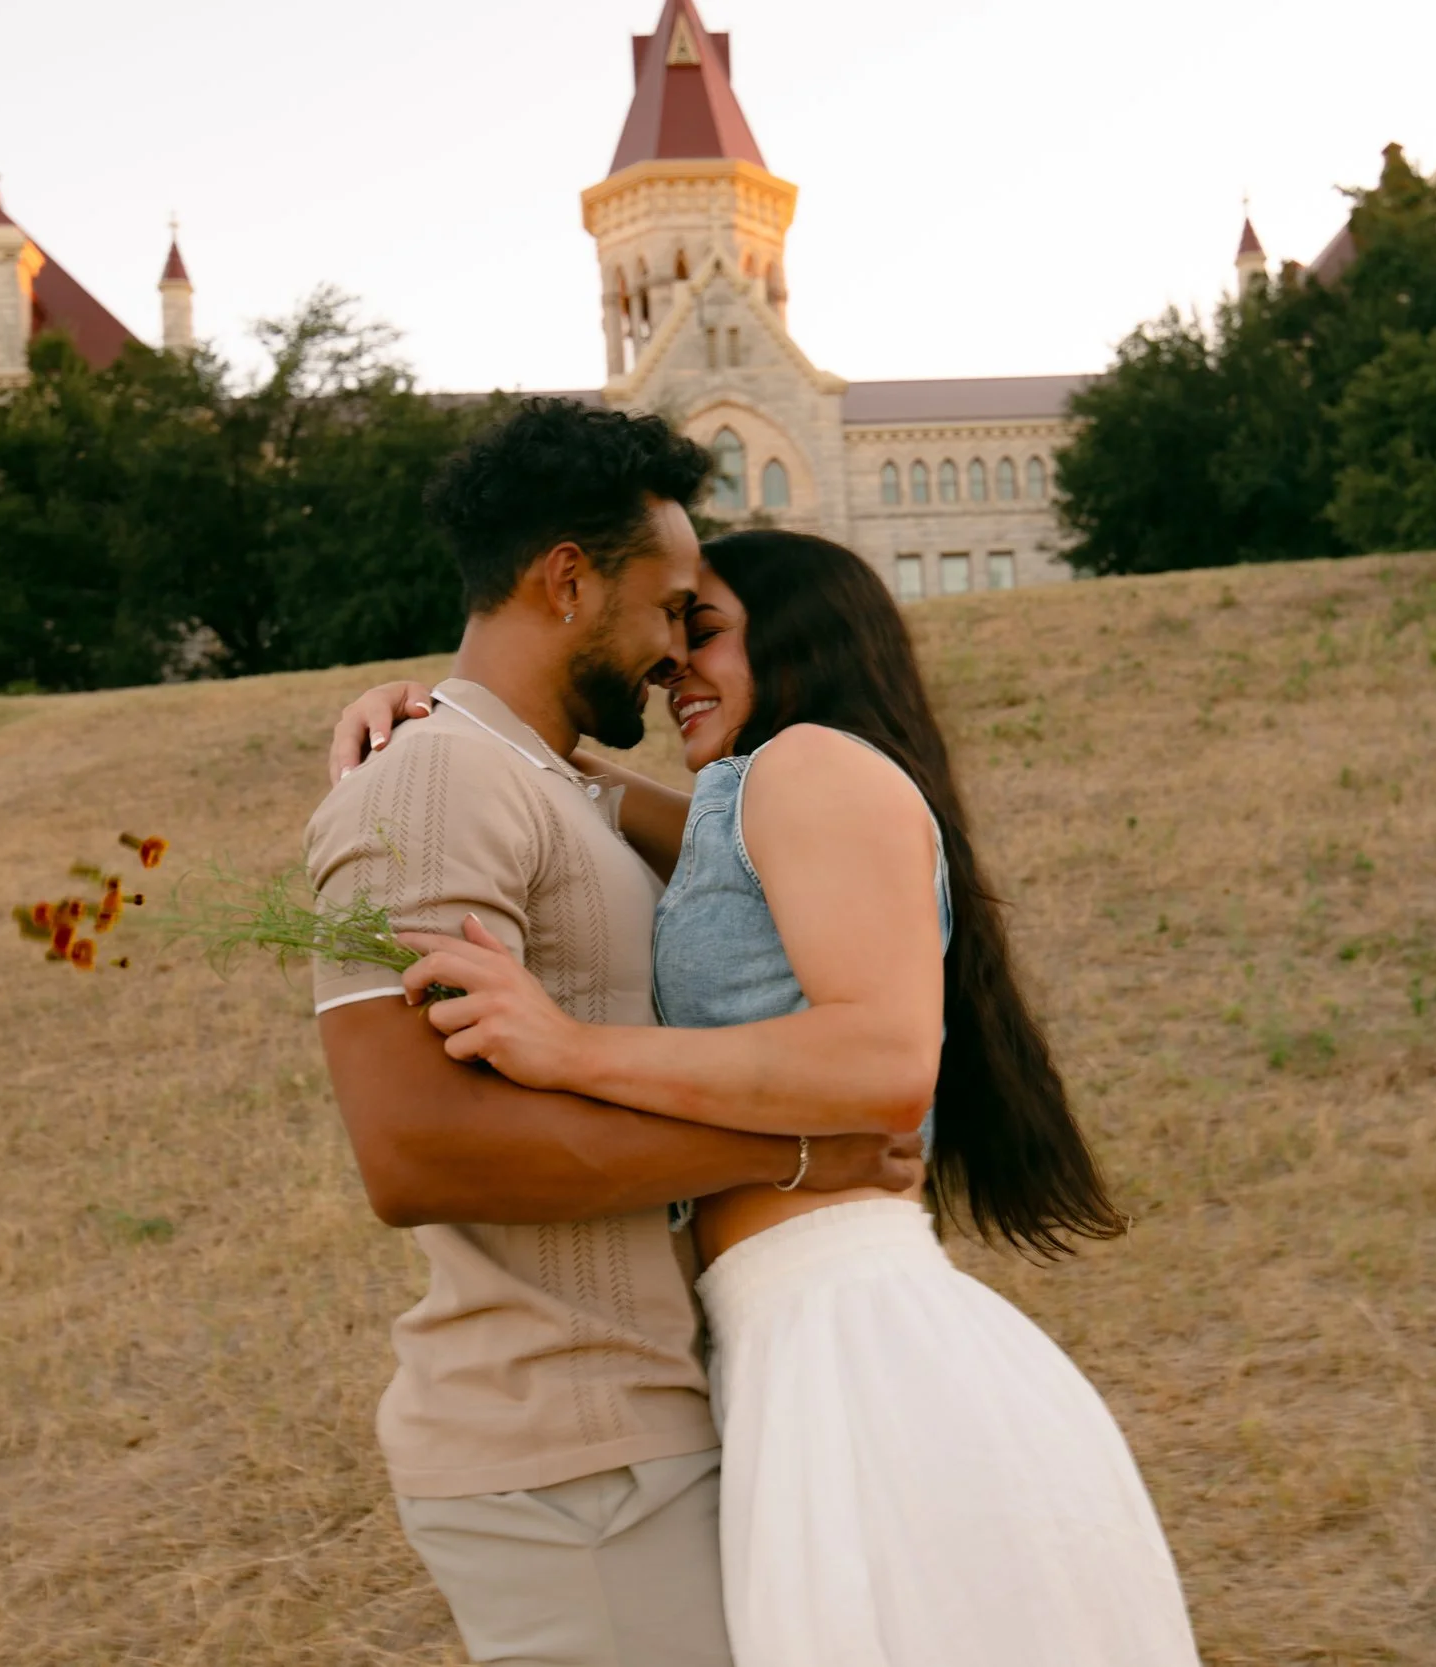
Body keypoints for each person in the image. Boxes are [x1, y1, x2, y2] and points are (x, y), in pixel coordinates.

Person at [332, 529, 1201, 1666]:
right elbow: (569, 783)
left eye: (704, 631)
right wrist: (433, 710)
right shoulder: (746, 801)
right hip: (785, 1336)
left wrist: (571, 1048)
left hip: (848, 1332)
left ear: (798, 637)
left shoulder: (808, 766)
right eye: (669, 632)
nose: (671, 663)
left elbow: (886, 1062)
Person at [305, 401, 925, 1667]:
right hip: (570, 1453)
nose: (672, 650)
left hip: (660, 1420)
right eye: (667, 607)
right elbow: (417, 1152)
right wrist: (792, 1156)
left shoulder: (537, 782)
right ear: (569, 581)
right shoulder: (430, 778)